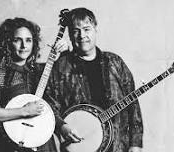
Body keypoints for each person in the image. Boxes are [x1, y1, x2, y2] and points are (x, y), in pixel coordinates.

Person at [45, 8, 143, 152]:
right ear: (70, 35)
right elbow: (48, 105)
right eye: (75, 31)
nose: (82, 35)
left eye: (86, 29)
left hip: (118, 146)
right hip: (80, 146)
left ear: (95, 29)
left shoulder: (115, 62)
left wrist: (135, 144)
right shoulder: (61, 66)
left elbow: (133, 105)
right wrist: (62, 126)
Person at [0, 17, 68, 152]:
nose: (24, 46)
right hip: (13, 143)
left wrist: (66, 51)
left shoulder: (42, 70)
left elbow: (70, 76)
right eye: (17, 40)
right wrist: (24, 111)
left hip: (43, 144)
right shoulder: (2, 74)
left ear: (34, 43)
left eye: (28, 40)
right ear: (8, 43)